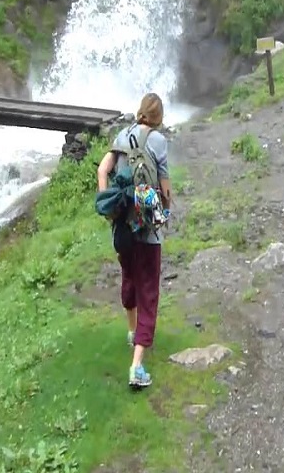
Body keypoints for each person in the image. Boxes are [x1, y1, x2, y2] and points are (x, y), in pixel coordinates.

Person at [97, 93, 172, 389]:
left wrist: (107, 204)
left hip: (121, 226)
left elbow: (103, 169)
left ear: (140, 111)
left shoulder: (121, 134)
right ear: (159, 117)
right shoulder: (158, 141)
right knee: (149, 291)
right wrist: (164, 213)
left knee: (128, 276)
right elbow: (165, 189)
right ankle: (137, 367)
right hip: (147, 229)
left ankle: (132, 331)